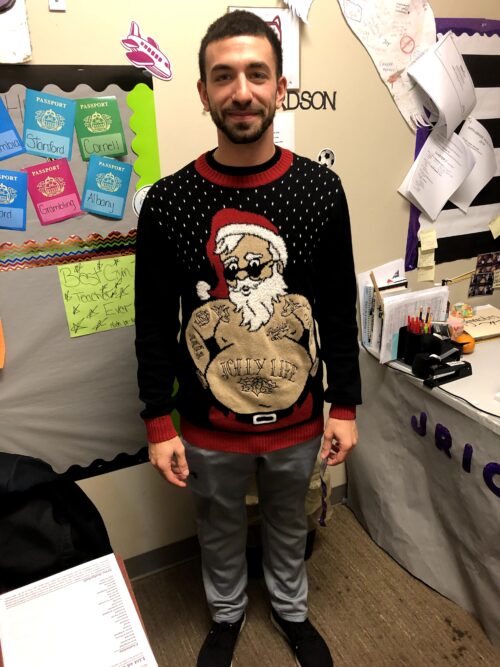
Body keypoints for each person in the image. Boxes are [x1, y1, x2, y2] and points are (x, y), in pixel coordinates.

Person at [134, 10, 361, 667]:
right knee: (218, 523)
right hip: (207, 425)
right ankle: (226, 615)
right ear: (203, 92)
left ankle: (291, 610)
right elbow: (154, 321)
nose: (242, 91)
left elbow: (337, 309)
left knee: (290, 521)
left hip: (299, 419)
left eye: (257, 74)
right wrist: (157, 419)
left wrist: (344, 404)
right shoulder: (168, 202)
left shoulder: (321, 191)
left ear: (280, 88)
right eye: (224, 76)